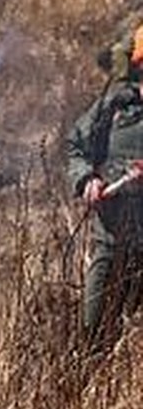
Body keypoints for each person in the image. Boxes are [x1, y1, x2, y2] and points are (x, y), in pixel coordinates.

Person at [66, 18, 143, 347]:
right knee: (91, 341)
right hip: (111, 246)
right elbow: (75, 146)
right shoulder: (115, 107)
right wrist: (87, 180)